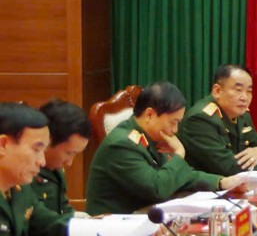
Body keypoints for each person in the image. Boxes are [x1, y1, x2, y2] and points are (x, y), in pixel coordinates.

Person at [0, 103, 122, 236]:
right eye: (36, 149)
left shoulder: (19, 188)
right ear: (3, 145)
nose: (42, 162)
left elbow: (51, 225)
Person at [86, 82, 245, 215]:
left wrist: (221, 182)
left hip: (146, 216)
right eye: (173, 122)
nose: (175, 130)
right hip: (116, 226)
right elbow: (158, 188)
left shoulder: (150, 135)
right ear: (149, 115)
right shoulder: (121, 145)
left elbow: (178, 175)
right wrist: (179, 154)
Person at [178, 65, 257, 176]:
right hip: (206, 185)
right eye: (238, 90)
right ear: (217, 91)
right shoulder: (200, 119)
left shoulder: (242, 114)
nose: (244, 97)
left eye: (249, 91)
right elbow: (228, 168)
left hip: (237, 182)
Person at [31, 99, 92, 216]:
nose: (69, 163)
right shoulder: (25, 171)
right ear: (47, 140)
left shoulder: (56, 171)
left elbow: (63, 209)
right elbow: (37, 219)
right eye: (69, 153)